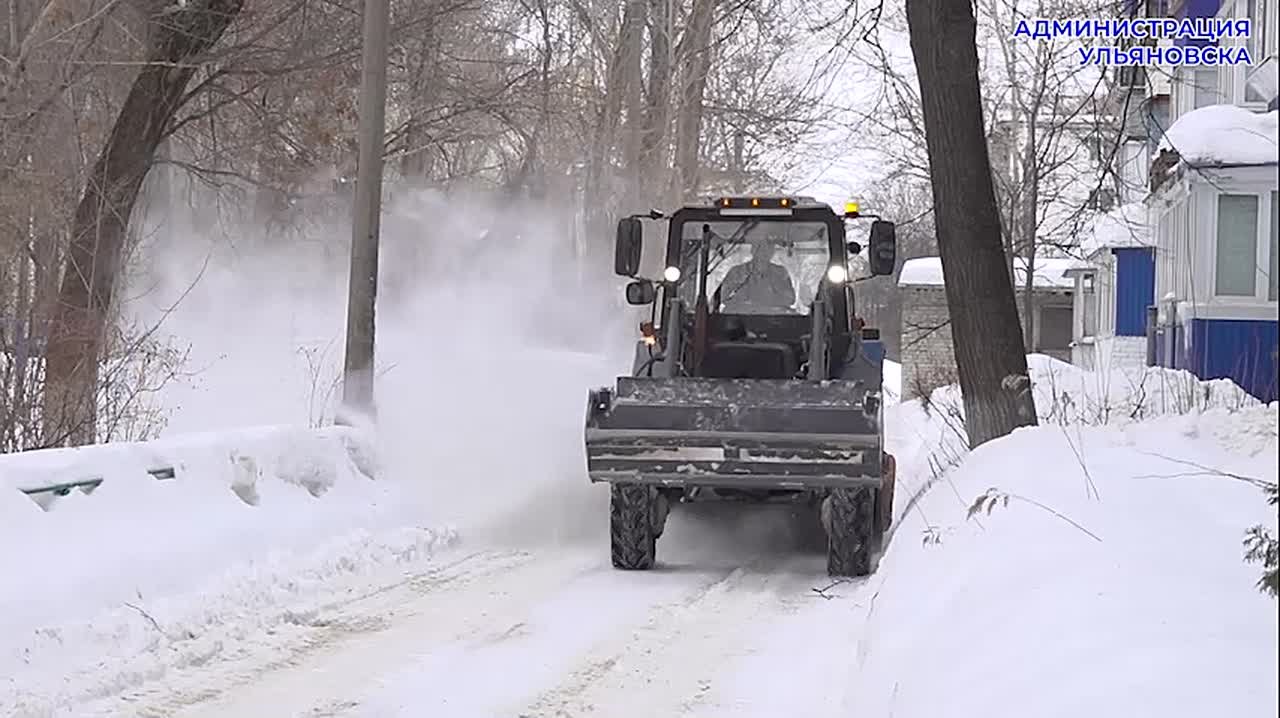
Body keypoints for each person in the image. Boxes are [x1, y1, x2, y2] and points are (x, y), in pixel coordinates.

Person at [719, 239, 796, 312]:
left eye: (768, 249)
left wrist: (771, 295)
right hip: (740, 320)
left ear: (772, 252)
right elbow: (724, 298)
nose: (763, 253)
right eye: (759, 248)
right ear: (752, 250)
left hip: (773, 319)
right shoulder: (737, 272)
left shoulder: (780, 272)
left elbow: (790, 299)